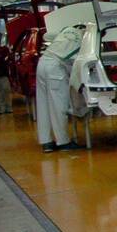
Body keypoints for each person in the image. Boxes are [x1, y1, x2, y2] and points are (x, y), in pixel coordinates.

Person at [36, 24, 84, 153]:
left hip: (42, 63)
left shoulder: (66, 30)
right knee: (59, 106)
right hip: (55, 68)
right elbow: (76, 64)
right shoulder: (84, 39)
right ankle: (63, 142)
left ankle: (46, 142)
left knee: (43, 104)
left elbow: (47, 35)